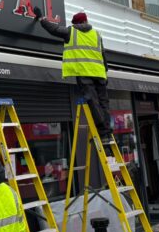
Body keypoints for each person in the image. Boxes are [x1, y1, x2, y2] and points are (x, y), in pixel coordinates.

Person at [31, 9, 114, 143]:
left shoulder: (71, 31)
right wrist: (105, 72)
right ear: (86, 21)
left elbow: (53, 29)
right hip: (99, 73)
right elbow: (103, 55)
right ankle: (107, 133)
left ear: (75, 23)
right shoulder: (97, 34)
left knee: (93, 102)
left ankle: (103, 135)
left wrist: (41, 18)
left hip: (84, 73)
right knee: (104, 103)